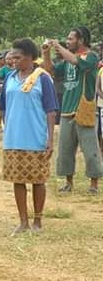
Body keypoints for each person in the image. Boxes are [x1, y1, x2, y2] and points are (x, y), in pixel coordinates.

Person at [0, 38, 56, 234]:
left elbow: (51, 110)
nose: (13, 60)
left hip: (36, 137)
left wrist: (50, 139)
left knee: (38, 181)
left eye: (17, 57)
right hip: (13, 137)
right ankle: (23, 221)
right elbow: (1, 104)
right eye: (12, 57)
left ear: (28, 57)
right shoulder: (10, 77)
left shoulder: (42, 78)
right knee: (17, 180)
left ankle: (37, 222)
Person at [42, 27, 103, 194]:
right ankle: (68, 182)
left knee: (90, 150)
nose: (67, 42)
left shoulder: (91, 57)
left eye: (70, 39)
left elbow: (76, 61)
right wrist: (46, 54)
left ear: (81, 40)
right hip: (67, 109)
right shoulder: (67, 60)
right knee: (66, 150)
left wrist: (58, 46)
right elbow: (50, 71)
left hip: (85, 109)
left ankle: (94, 184)